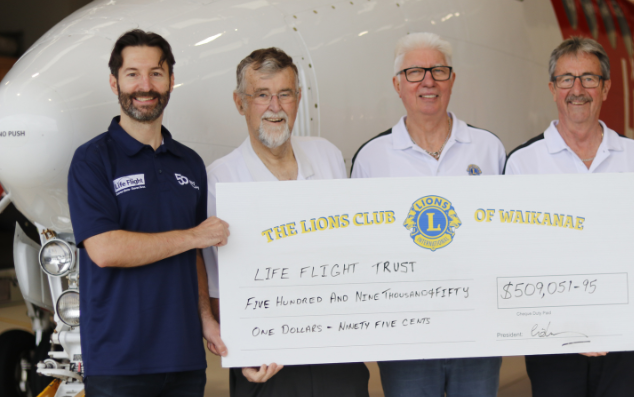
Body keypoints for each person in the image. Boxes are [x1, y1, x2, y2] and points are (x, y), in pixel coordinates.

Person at [504, 37, 634, 396]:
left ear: (606, 87)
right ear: (552, 89)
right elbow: (514, 261)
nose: (577, 89)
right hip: (550, 338)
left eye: (589, 79)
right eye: (566, 79)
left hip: (621, 333)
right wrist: (565, 322)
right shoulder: (522, 164)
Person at [198, 47, 370, 397]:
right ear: (239, 102)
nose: (275, 106)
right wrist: (242, 350)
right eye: (261, 95)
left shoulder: (328, 156)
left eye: (285, 94)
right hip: (267, 362)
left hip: (338, 353)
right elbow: (218, 285)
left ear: (299, 98)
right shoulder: (220, 179)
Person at [67, 29, 230, 396]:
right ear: (114, 83)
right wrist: (194, 235)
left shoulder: (189, 163)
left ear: (171, 81)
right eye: (132, 74)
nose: (145, 85)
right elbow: (106, 250)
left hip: (184, 358)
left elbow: (195, 258)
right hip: (119, 362)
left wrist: (206, 321)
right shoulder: (92, 160)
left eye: (156, 73)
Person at [351, 32, 506, 397]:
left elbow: (505, 237)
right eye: (415, 72)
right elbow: (360, 248)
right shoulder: (372, 158)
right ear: (397, 84)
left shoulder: (488, 149)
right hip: (406, 337)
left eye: (438, 70)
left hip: (477, 332)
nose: (428, 81)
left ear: (452, 80)